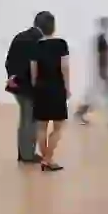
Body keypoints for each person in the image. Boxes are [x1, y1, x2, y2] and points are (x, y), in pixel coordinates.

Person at [4, 12, 48, 163]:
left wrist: (11, 77)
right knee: (31, 120)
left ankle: (23, 153)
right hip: (29, 87)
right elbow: (37, 67)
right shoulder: (39, 41)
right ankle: (28, 155)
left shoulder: (19, 37)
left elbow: (8, 61)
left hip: (16, 85)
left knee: (25, 119)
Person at [30, 11, 70, 172]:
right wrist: (67, 87)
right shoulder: (61, 44)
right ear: (53, 26)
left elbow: (34, 70)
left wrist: (35, 86)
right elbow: (65, 67)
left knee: (41, 128)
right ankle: (47, 159)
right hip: (57, 88)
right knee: (58, 127)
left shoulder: (35, 46)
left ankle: (45, 159)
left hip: (40, 88)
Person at [75, 16, 108, 125]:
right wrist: (103, 73)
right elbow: (102, 57)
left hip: (102, 72)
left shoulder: (102, 39)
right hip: (102, 73)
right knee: (96, 96)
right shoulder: (101, 39)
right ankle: (81, 113)